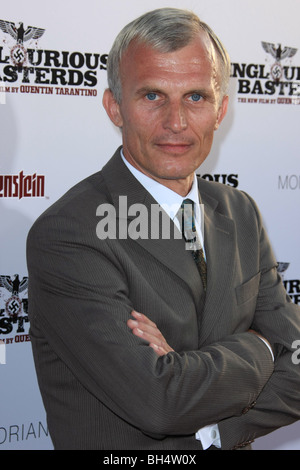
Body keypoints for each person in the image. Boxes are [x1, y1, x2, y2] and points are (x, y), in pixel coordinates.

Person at [27, 8, 300, 450]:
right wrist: (264, 347)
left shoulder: (239, 210)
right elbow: (160, 403)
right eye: (153, 96)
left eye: (196, 97)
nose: (176, 121)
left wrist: (217, 426)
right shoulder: (69, 233)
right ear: (115, 106)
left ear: (220, 109)